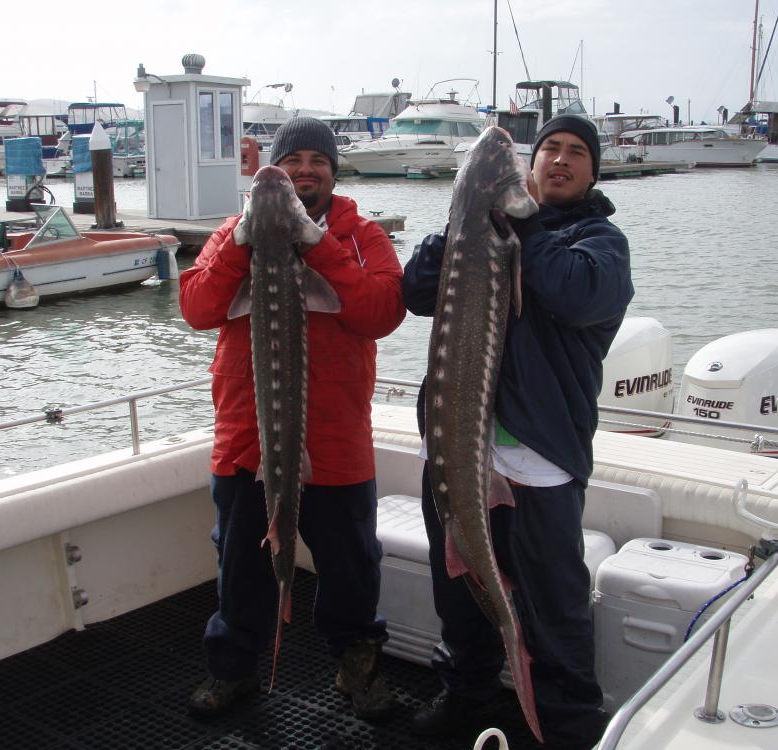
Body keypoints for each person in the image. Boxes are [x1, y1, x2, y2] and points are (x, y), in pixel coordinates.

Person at [401, 115, 634, 748]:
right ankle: (466, 697)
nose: (560, 159)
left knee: (552, 605)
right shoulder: (480, 226)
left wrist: (522, 221)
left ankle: (566, 727)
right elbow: (416, 289)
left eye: (576, 152)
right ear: (527, 167)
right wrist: (463, 214)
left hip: (538, 461)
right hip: (453, 443)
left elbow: (576, 293)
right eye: (549, 148)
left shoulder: (601, 242)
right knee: (460, 589)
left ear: (593, 171)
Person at [179, 117, 406, 721]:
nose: (305, 170)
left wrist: (316, 244)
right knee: (240, 564)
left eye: (317, 160)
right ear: (268, 173)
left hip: (336, 442)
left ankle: (355, 670)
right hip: (246, 441)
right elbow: (197, 307)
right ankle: (233, 672)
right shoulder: (233, 233)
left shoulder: (362, 236)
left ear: (334, 170)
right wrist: (242, 242)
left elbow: (383, 310)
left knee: (352, 569)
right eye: (292, 160)